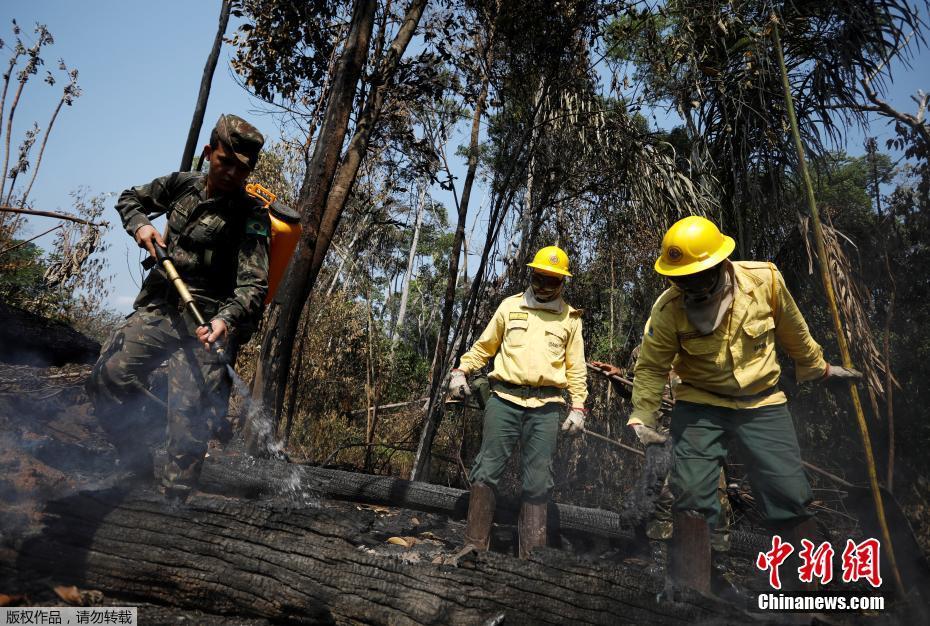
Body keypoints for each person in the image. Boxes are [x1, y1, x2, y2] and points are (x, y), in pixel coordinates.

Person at [627, 215, 861, 592]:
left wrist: (822, 370)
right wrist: (642, 417)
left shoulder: (764, 280)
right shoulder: (668, 309)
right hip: (700, 403)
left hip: (763, 402)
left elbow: (795, 332)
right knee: (691, 494)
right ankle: (692, 598)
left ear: (719, 263)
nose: (691, 285)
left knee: (789, 495)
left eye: (698, 275)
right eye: (682, 278)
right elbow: (652, 368)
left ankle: (804, 602)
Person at [87, 114, 269, 501]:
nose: (233, 173)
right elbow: (129, 198)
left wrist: (225, 320)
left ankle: (174, 509)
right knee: (109, 375)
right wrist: (140, 225)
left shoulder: (251, 216)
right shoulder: (181, 185)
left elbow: (253, 285)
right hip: (162, 306)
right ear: (209, 153)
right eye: (225, 162)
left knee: (188, 427)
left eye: (243, 168)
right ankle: (135, 461)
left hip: (207, 325)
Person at [448, 245, 588, 558]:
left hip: (547, 406)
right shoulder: (510, 307)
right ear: (531, 275)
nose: (543, 287)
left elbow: (576, 370)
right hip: (505, 400)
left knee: (538, 480)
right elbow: (484, 347)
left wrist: (578, 407)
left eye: (551, 282)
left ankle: (532, 560)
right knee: (486, 470)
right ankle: (473, 547)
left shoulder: (571, 319)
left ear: (562, 283)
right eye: (538, 279)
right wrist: (460, 371)